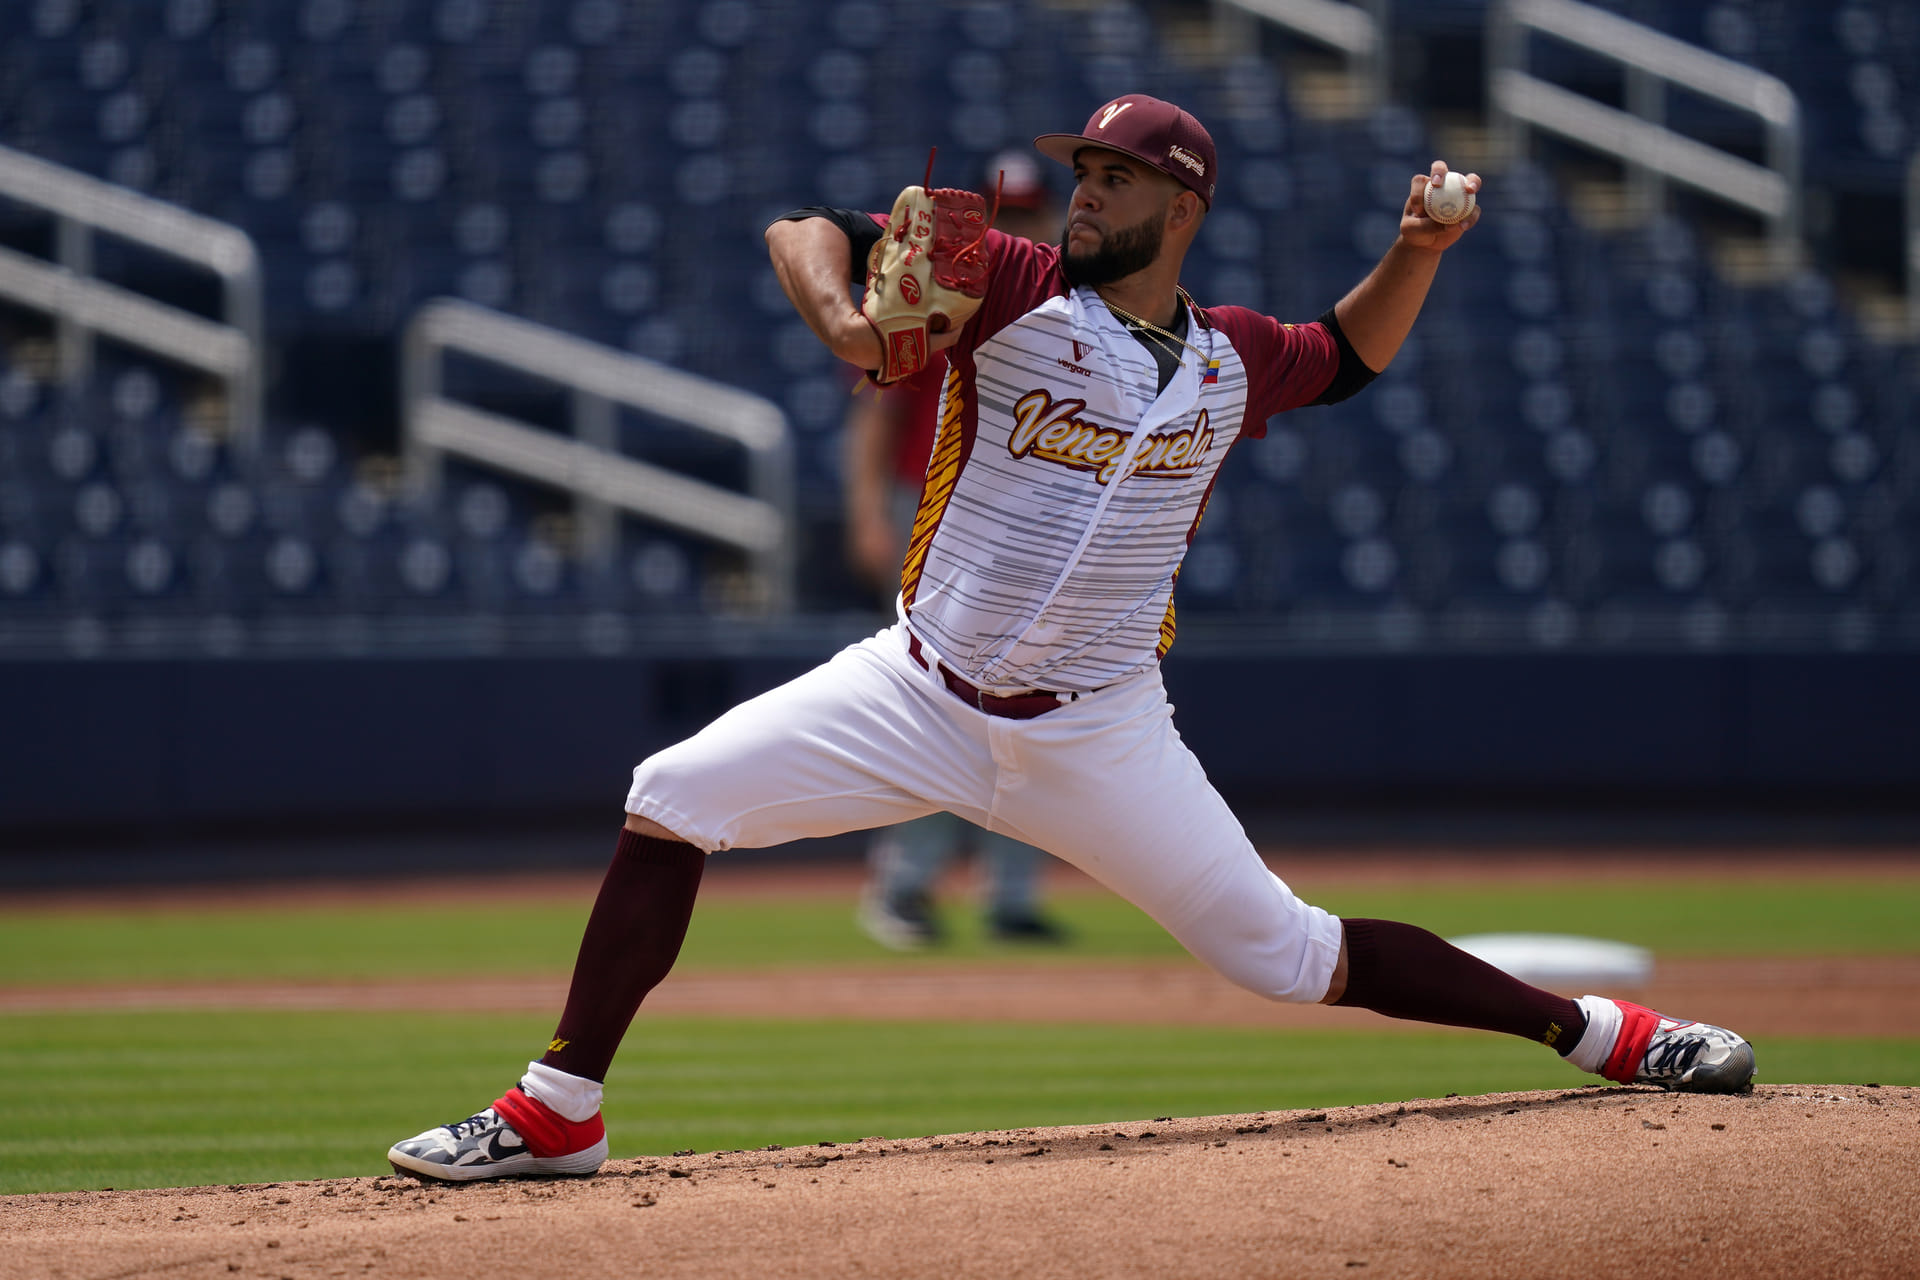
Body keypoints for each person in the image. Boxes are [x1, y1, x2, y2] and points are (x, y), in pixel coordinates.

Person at [387, 93, 1755, 1182]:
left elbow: (1343, 359)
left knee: (1284, 955)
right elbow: (804, 221)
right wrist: (851, 320)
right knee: (672, 795)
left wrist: (1418, 250)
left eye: (1112, 174)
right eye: (1083, 169)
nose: (1085, 188)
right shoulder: (1012, 282)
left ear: (1183, 203)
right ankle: (558, 1110)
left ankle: (1612, 1038)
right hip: (913, 690)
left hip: (1102, 726)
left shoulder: (1228, 357)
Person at [841, 151, 1069, 948]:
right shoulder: (935, 298)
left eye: (1034, 212)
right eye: (1009, 213)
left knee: (1028, 716)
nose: (1022, 228)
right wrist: (870, 515)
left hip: (1024, 523)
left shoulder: (1065, 309)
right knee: (940, 712)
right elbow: (875, 415)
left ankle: (1012, 896)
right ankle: (902, 887)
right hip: (931, 517)